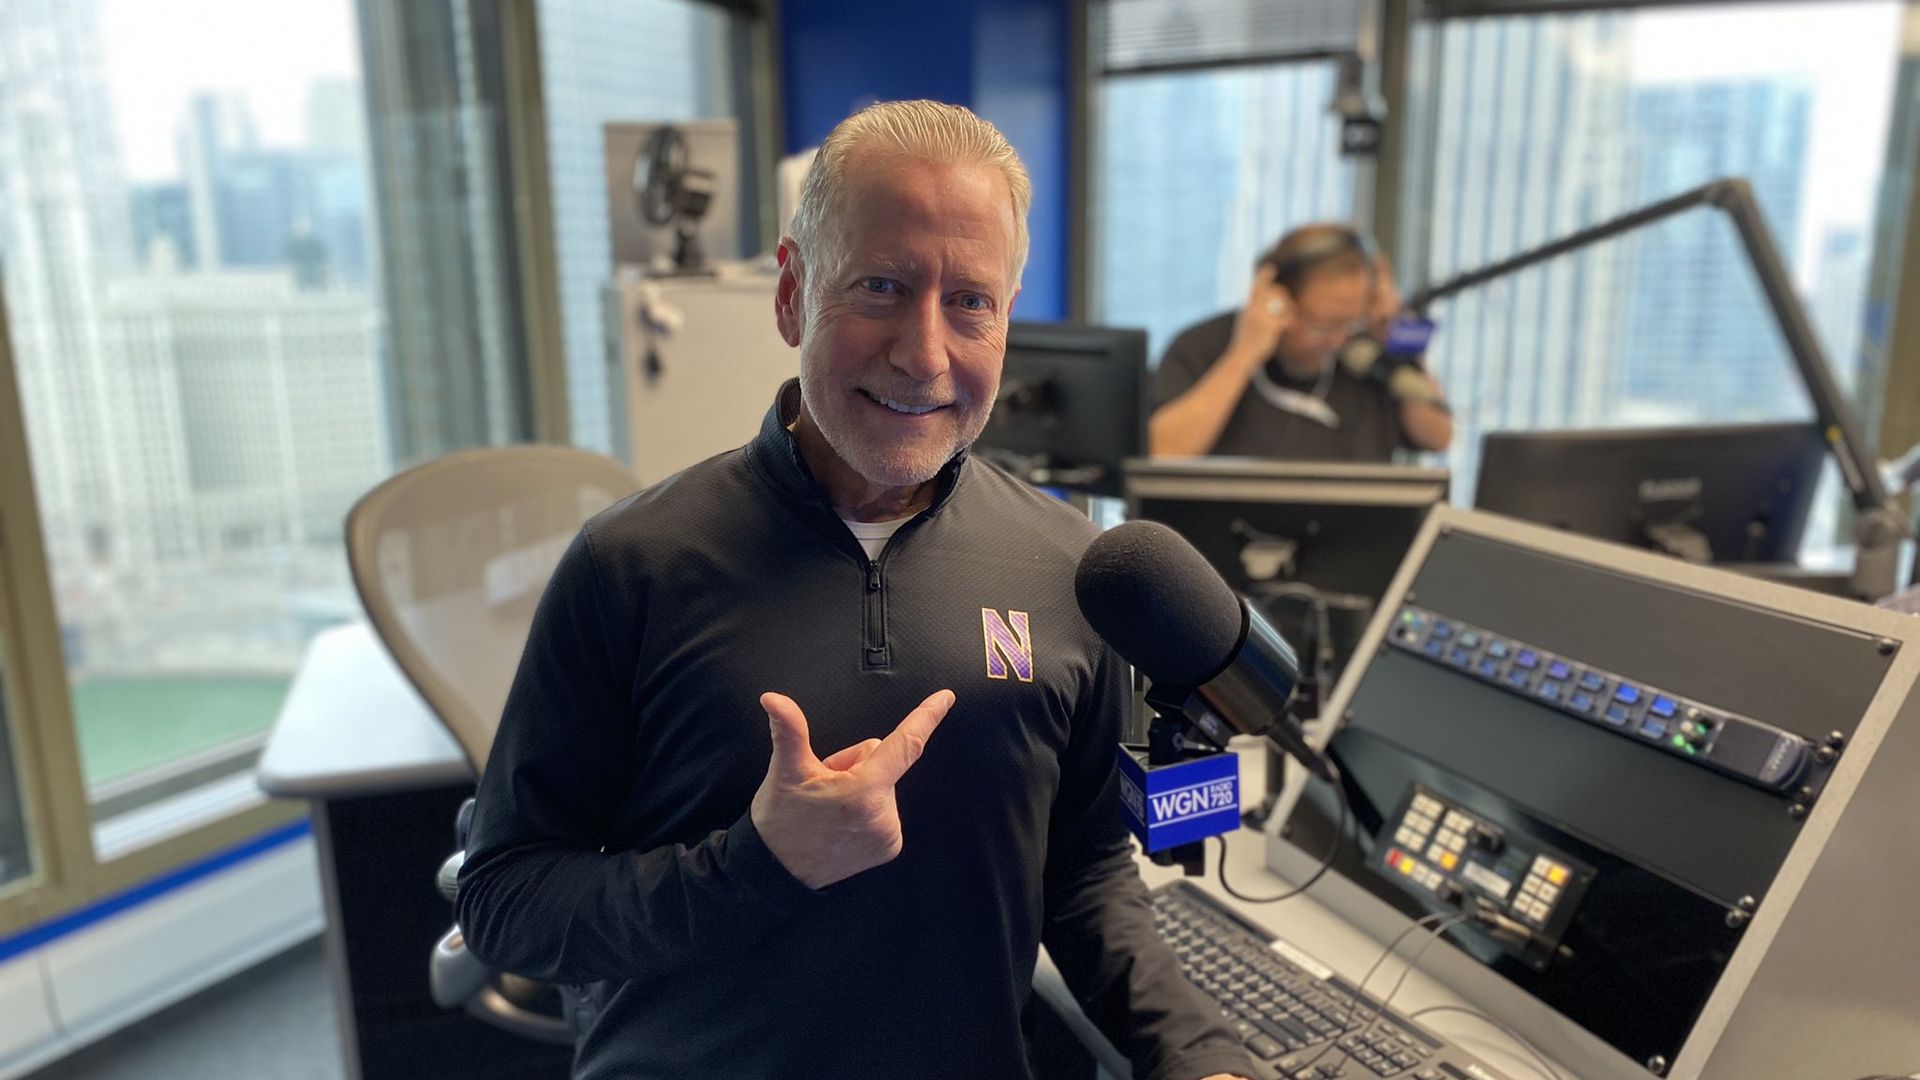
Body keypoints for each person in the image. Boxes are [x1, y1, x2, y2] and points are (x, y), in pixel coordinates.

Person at [456, 100, 1256, 1080]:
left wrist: (1198, 1055)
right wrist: (756, 864)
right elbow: (505, 901)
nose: (924, 353)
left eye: (971, 301)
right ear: (793, 294)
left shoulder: (1067, 566)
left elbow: (1084, 874)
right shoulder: (633, 565)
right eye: (881, 286)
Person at [1148, 224, 1453, 460]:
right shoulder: (1202, 346)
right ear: (1278, 299)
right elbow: (1163, 452)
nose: (1336, 341)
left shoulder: (1370, 351)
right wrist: (1244, 354)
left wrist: (1399, 338)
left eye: (1349, 323)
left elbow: (1438, 436)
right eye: (1321, 326)